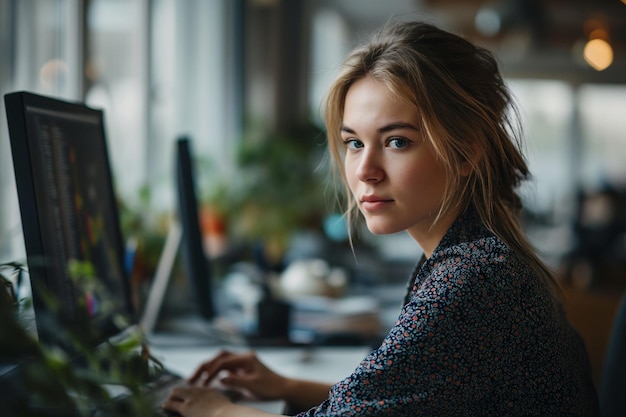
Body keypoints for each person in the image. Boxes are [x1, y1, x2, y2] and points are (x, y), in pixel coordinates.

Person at [163, 20, 600, 417]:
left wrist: (218, 411)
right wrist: (286, 386)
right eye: (354, 143)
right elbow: (402, 400)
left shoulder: (474, 279)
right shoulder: (475, 259)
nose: (365, 170)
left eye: (396, 141)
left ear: (466, 152)